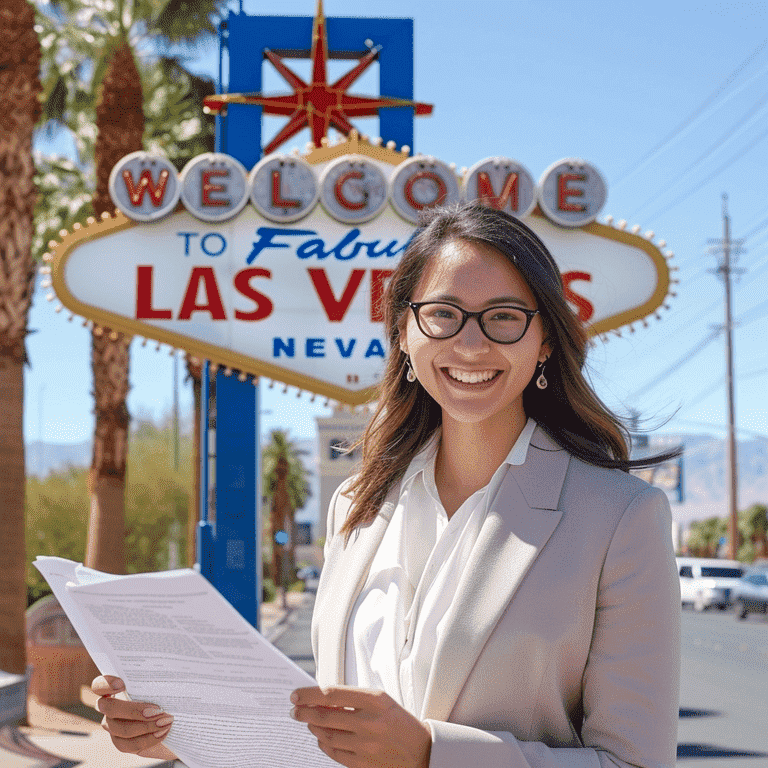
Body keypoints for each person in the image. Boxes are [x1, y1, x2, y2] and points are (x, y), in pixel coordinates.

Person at [93, 202, 681, 768]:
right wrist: (183, 730)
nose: (471, 344)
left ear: (544, 339)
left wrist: (433, 757)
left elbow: (635, 762)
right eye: (443, 314)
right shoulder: (357, 507)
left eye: (504, 317)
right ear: (404, 331)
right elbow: (325, 737)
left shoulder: (620, 519)